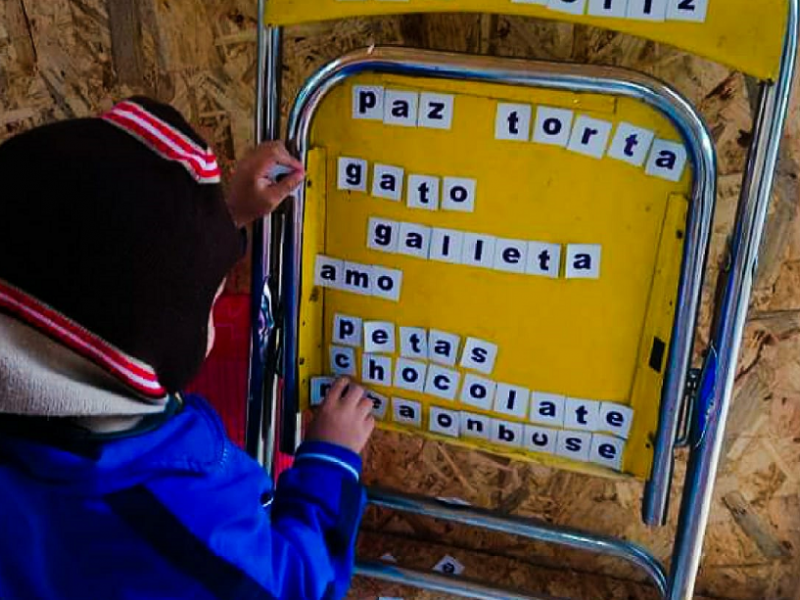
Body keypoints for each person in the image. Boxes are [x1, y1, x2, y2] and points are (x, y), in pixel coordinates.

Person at [0, 96, 375, 599]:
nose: (217, 293)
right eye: (210, 296)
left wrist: (226, 216)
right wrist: (332, 460)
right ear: (140, 363)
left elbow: (92, 263)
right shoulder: (182, 516)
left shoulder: (48, 345)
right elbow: (297, 587)